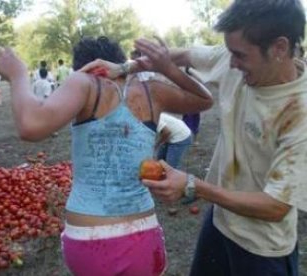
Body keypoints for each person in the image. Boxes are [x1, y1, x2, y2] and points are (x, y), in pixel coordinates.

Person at [108, 1, 304, 275]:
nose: (231, 63)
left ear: (279, 48)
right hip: (221, 222)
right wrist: (125, 68)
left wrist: (193, 185)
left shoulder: (299, 113)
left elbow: (276, 207)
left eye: (240, 55)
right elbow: (186, 55)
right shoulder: (233, 58)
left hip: (262, 247)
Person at [0, 36, 213, 275]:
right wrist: (165, 67)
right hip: (142, 234)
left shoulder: (83, 82)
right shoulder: (152, 91)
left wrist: (18, 75)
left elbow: (30, 125)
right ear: (119, 62)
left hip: (87, 239)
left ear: (86, 67)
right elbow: (205, 99)